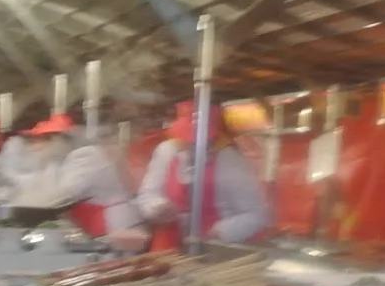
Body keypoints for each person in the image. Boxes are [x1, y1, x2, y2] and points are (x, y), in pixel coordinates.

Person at [136, 101, 270, 249]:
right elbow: (147, 195)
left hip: (213, 249)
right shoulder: (166, 151)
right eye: (186, 137)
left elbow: (256, 214)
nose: (190, 143)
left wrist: (223, 231)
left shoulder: (230, 161)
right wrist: (158, 208)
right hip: (167, 245)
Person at [15, 113, 145, 248]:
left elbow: (64, 195)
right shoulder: (56, 162)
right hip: (96, 226)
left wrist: (23, 207)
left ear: (59, 140)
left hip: (115, 225)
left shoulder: (85, 155)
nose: (33, 147)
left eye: (40, 141)